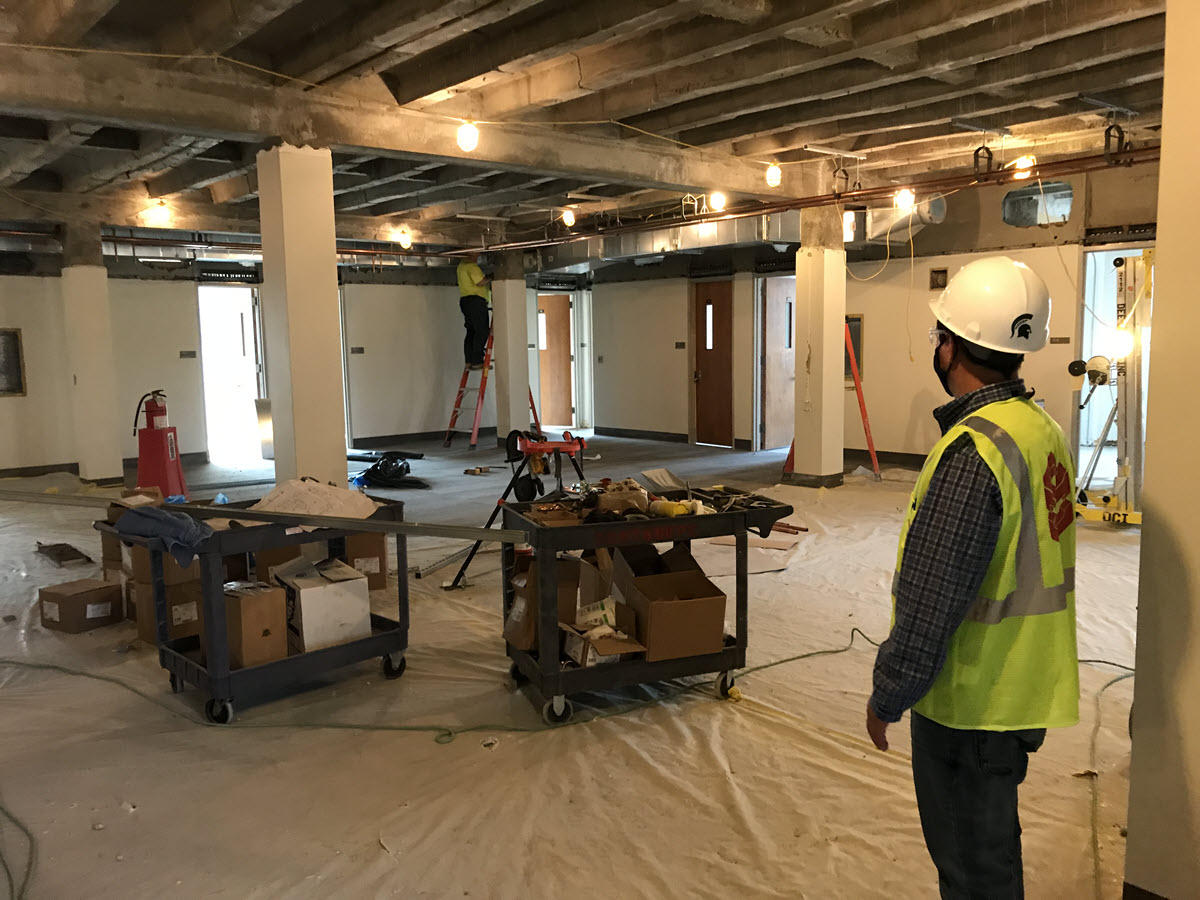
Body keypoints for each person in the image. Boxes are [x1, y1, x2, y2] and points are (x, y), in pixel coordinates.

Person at [866, 256, 1079, 899]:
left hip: (971, 704)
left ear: (951, 347)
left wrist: (889, 693)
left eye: (938, 335)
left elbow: (933, 598)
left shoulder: (971, 451)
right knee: (989, 856)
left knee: (972, 873)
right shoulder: (1040, 427)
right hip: (1024, 689)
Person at [457, 253, 492, 368]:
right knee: (482, 331)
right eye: (475, 256)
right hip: (476, 301)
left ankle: (469, 361)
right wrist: (491, 277)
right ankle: (477, 361)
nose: (477, 258)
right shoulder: (471, 266)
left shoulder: (461, 266)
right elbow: (480, 282)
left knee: (471, 331)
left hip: (465, 302)